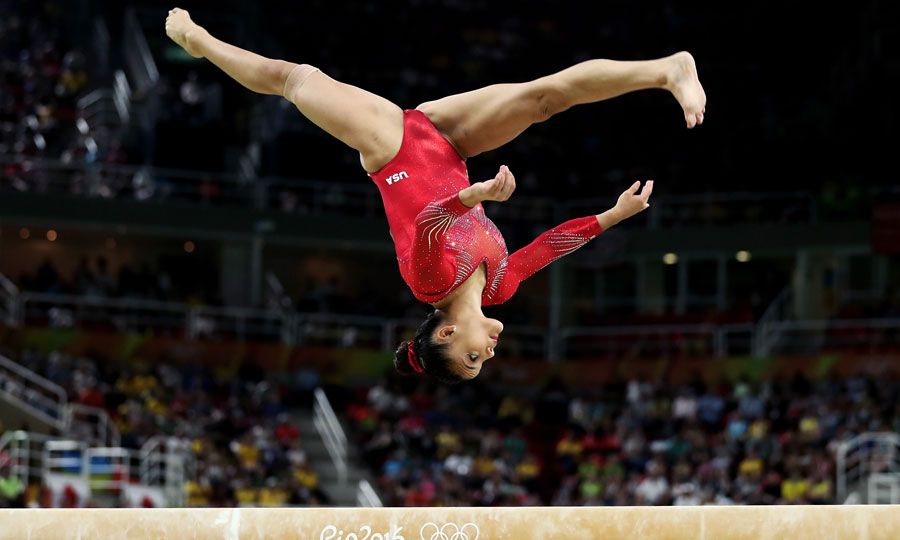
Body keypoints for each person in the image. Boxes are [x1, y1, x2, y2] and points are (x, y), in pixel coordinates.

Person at [165, 8, 705, 383]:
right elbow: (550, 246)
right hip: (447, 143)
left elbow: (427, 223)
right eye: (483, 362)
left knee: (294, 78)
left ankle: (200, 42)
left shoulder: (429, 283)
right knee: (542, 98)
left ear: (445, 331)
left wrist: (476, 196)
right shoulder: (498, 287)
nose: (488, 352)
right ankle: (665, 70)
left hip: (393, 150)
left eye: (471, 355)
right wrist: (613, 214)